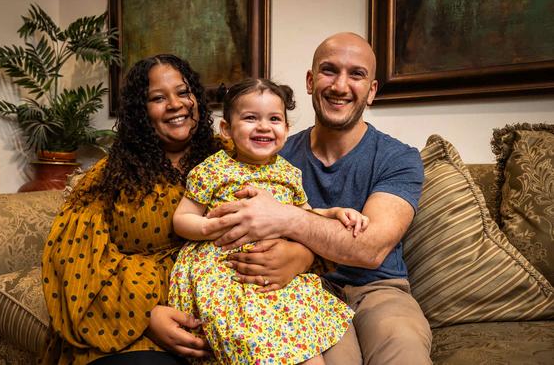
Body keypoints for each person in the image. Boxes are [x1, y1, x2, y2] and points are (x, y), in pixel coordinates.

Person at [204, 33, 433, 364]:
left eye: (356, 74)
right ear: (311, 81)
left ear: (371, 91)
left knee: (403, 350)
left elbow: (370, 248)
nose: (340, 86)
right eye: (329, 70)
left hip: (377, 290)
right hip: (296, 289)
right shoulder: (268, 154)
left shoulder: (398, 157)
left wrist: (286, 218)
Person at [41, 54, 222, 365]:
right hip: (126, 325)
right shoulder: (110, 174)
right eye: (157, 98)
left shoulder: (232, 158)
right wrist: (146, 317)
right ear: (141, 112)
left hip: (222, 312)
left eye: (182, 92)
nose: (175, 104)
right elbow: (72, 260)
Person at [169, 78, 365, 365]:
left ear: (285, 129)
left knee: (306, 346)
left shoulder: (288, 173)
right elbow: (182, 218)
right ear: (227, 129)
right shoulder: (212, 170)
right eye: (250, 118)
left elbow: (304, 215)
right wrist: (206, 227)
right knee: (251, 341)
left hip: (276, 275)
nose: (263, 126)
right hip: (227, 273)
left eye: (274, 119)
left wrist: (333, 213)